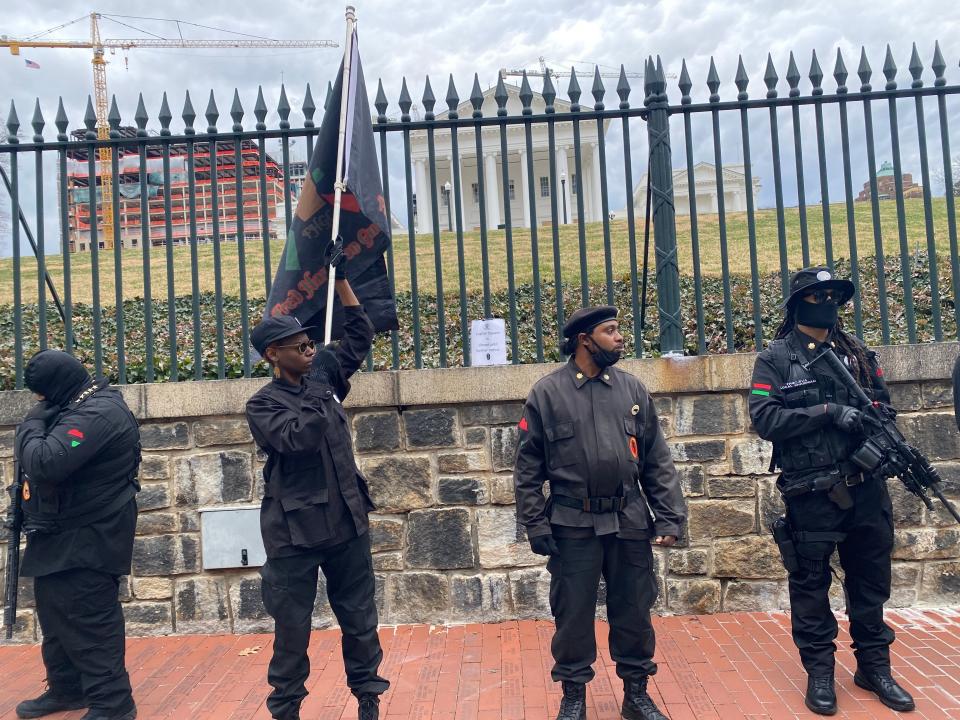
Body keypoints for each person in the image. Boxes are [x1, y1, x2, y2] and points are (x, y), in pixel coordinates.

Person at [749, 267, 915, 716]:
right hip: (813, 494)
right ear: (799, 303)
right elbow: (764, 419)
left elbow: (885, 407)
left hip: (866, 489)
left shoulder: (858, 354)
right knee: (810, 585)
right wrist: (826, 412)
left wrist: (877, 431)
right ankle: (820, 671)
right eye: (817, 296)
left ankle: (874, 667)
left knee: (870, 583)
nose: (827, 304)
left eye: (833, 296)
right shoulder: (777, 358)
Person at [514, 305, 686, 720]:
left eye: (618, 330)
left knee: (634, 610)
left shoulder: (632, 391)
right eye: (610, 331)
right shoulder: (547, 394)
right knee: (572, 614)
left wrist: (669, 517)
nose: (620, 337)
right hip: (573, 524)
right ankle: (574, 696)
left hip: (628, 519)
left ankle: (636, 695)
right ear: (584, 340)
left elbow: (656, 461)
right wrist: (535, 523)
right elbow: (527, 468)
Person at [245, 277, 389, 720]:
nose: (310, 350)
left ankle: (368, 696)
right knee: (292, 628)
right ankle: (286, 706)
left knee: (360, 618)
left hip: (347, 519)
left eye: (310, 342)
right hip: (294, 534)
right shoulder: (263, 404)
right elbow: (299, 439)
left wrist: (342, 281)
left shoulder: (324, 379)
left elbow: (361, 333)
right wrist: (317, 387)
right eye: (297, 346)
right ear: (273, 354)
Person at [14, 350, 141, 720]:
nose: (39, 402)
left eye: (41, 395)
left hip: (92, 532)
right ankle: (68, 688)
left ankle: (113, 703)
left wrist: (31, 424)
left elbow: (45, 463)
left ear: (55, 388)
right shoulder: (77, 403)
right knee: (55, 610)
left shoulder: (97, 413)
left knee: (89, 615)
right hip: (63, 529)